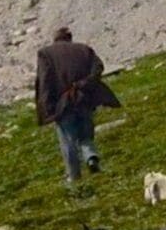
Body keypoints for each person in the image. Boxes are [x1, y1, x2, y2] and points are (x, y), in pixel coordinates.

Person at [33, 25, 118, 189]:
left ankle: (74, 178)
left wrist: (47, 108)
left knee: (68, 141)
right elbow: (98, 68)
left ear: (55, 39)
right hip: (84, 99)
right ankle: (91, 157)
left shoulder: (45, 54)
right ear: (70, 38)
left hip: (63, 104)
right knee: (86, 135)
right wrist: (84, 84)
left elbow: (45, 81)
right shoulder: (85, 49)